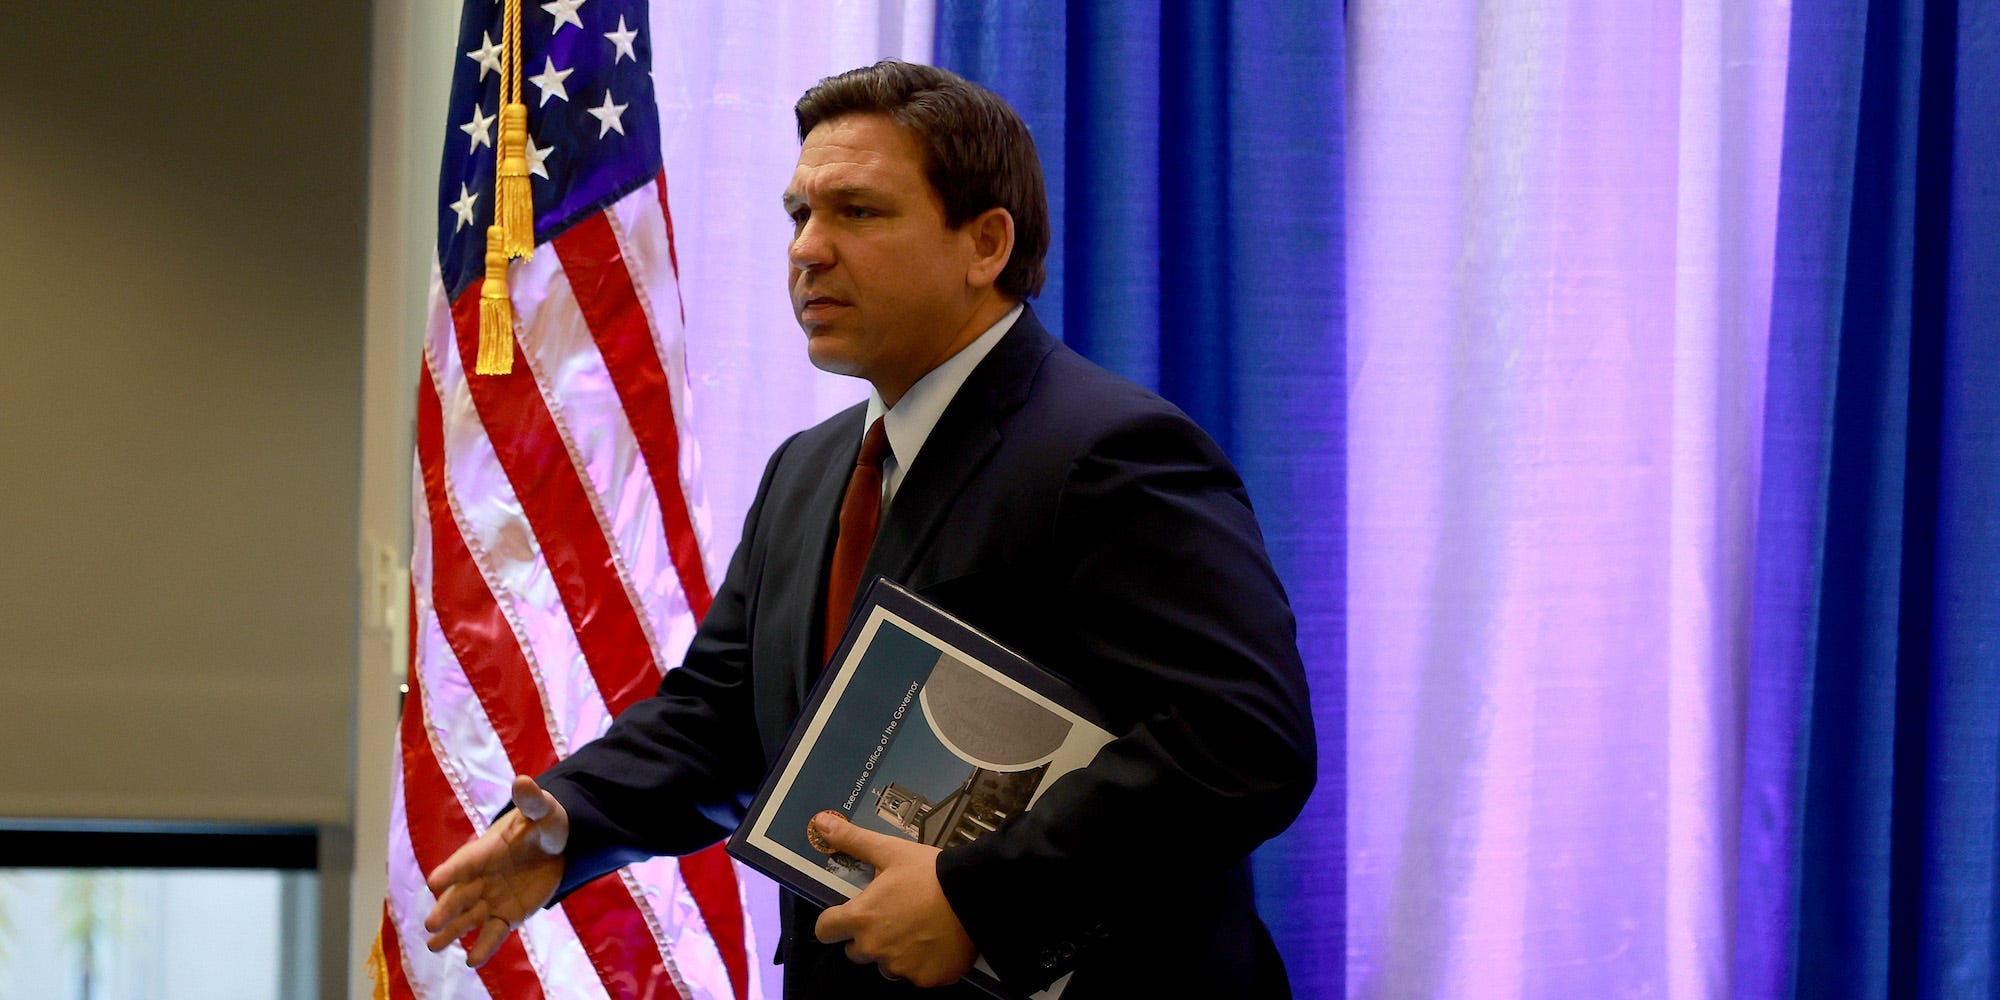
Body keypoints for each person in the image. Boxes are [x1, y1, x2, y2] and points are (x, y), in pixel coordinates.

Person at [423, 60, 1316, 999]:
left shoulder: (1110, 451)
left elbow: (1242, 739)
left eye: (857, 212)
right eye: (798, 214)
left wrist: (978, 897)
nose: (807, 249)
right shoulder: (806, 472)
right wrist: (563, 823)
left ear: (985, 244)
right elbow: (723, 719)